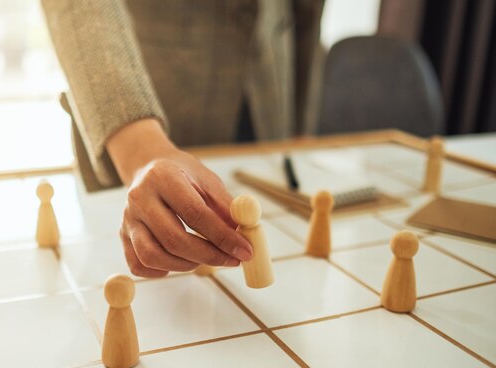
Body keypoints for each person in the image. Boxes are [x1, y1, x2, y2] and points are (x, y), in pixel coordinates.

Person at [41, 0, 324, 277]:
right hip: (150, 95)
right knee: (157, 245)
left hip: (269, 89)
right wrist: (142, 151)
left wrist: (300, 117)